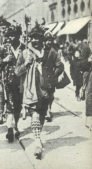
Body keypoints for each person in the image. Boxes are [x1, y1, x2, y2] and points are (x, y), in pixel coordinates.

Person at [15, 23, 64, 159]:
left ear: (42, 38)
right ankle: (37, 142)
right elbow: (17, 71)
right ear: (29, 38)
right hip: (30, 90)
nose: (35, 40)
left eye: (38, 37)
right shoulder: (24, 53)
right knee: (35, 115)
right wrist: (26, 64)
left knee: (41, 115)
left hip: (45, 90)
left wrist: (51, 76)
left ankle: (38, 137)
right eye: (33, 38)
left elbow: (60, 66)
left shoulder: (50, 51)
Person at [0, 24, 24, 142]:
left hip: (21, 81)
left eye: (14, 35)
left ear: (19, 36)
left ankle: (15, 125)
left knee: (18, 105)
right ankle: (10, 128)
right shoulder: (5, 48)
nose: (11, 38)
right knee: (10, 104)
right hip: (8, 80)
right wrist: (5, 60)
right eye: (10, 35)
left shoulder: (24, 48)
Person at [0, 16, 11, 125]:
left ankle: (9, 111)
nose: (3, 30)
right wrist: (3, 60)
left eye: (5, 28)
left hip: (10, 70)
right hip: (0, 70)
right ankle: (0, 113)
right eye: (1, 28)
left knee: (9, 92)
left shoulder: (11, 39)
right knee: (0, 92)